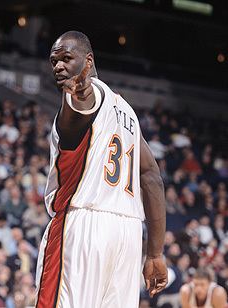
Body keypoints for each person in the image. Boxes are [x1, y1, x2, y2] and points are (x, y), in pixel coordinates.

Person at [35, 31, 167, 308]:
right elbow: (152, 178)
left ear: (88, 60)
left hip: (83, 225)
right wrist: (154, 254)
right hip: (128, 236)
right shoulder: (128, 112)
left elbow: (82, 97)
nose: (58, 66)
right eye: (54, 61)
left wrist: (79, 87)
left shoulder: (84, 95)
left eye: (67, 58)